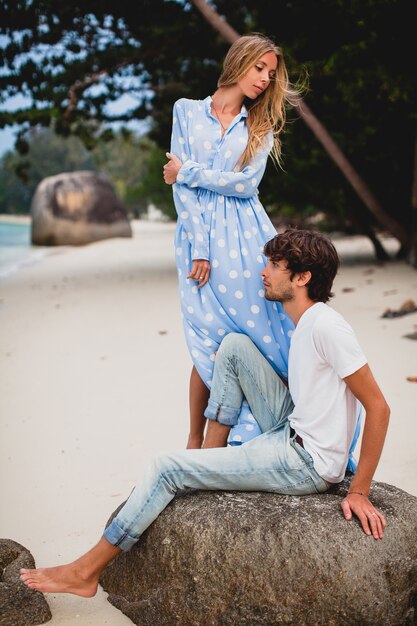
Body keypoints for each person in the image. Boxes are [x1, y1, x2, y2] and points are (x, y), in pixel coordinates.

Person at [20, 228, 390, 599]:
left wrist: (359, 491)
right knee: (234, 346)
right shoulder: (305, 322)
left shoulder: (328, 326)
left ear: (302, 277)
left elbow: (378, 407)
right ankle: (211, 453)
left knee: (166, 468)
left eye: (275, 265)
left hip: (304, 461)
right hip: (290, 426)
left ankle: (85, 572)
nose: (263, 272)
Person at [163, 32, 298, 449]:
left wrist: (188, 171)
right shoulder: (185, 111)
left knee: (252, 333)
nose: (264, 79)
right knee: (205, 335)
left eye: (270, 74)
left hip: (247, 235)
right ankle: (194, 439)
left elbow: (244, 186)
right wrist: (199, 247)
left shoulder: (261, 124)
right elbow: (180, 193)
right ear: (239, 61)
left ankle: (252, 434)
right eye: (259, 68)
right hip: (197, 239)